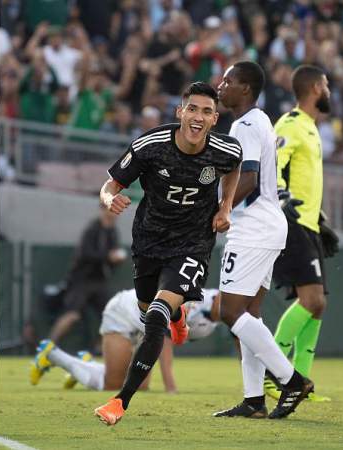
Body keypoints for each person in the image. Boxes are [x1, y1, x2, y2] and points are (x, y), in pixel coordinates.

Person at [92, 82, 242, 426]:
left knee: (155, 315)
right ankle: (177, 317)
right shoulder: (151, 145)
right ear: (180, 112)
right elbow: (109, 185)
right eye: (193, 109)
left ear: (214, 119)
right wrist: (107, 199)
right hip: (148, 243)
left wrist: (226, 206)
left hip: (192, 245)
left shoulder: (223, 149)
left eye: (206, 112)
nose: (198, 117)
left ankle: (119, 403)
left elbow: (235, 166)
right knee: (149, 309)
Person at [212, 61, 314, 420]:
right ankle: (254, 399)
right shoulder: (261, 121)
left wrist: (220, 210)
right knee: (250, 314)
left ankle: (291, 380)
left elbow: (249, 178)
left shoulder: (246, 124)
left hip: (253, 227)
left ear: (245, 88)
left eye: (227, 81)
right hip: (268, 225)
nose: (220, 86)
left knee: (230, 312)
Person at [267, 65, 338, 402]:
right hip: (291, 224)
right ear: (313, 88)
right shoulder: (290, 124)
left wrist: (319, 218)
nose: (329, 91)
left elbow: (303, 177)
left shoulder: (310, 127)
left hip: (309, 225)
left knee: (318, 307)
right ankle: (272, 371)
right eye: (326, 85)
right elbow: (273, 164)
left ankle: (303, 383)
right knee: (312, 300)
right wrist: (281, 197)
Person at [30, 289, 221, 392]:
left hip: (144, 329)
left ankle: (86, 366)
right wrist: (170, 387)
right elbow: (165, 339)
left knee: (140, 387)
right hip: (123, 315)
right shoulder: (198, 302)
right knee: (112, 385)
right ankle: (52, 354)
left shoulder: (217, 320)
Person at [45, 204, 125, 344]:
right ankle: (48, 348)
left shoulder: (112, 232)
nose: (113, 213)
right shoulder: (92, 229)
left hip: (99, 281)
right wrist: (108, 256)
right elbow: (85, 254)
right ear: (103, 210)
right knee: (71, 315)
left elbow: (112, 258)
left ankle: (100, 350)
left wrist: (116, 259)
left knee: (112, 316)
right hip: (81, 280)